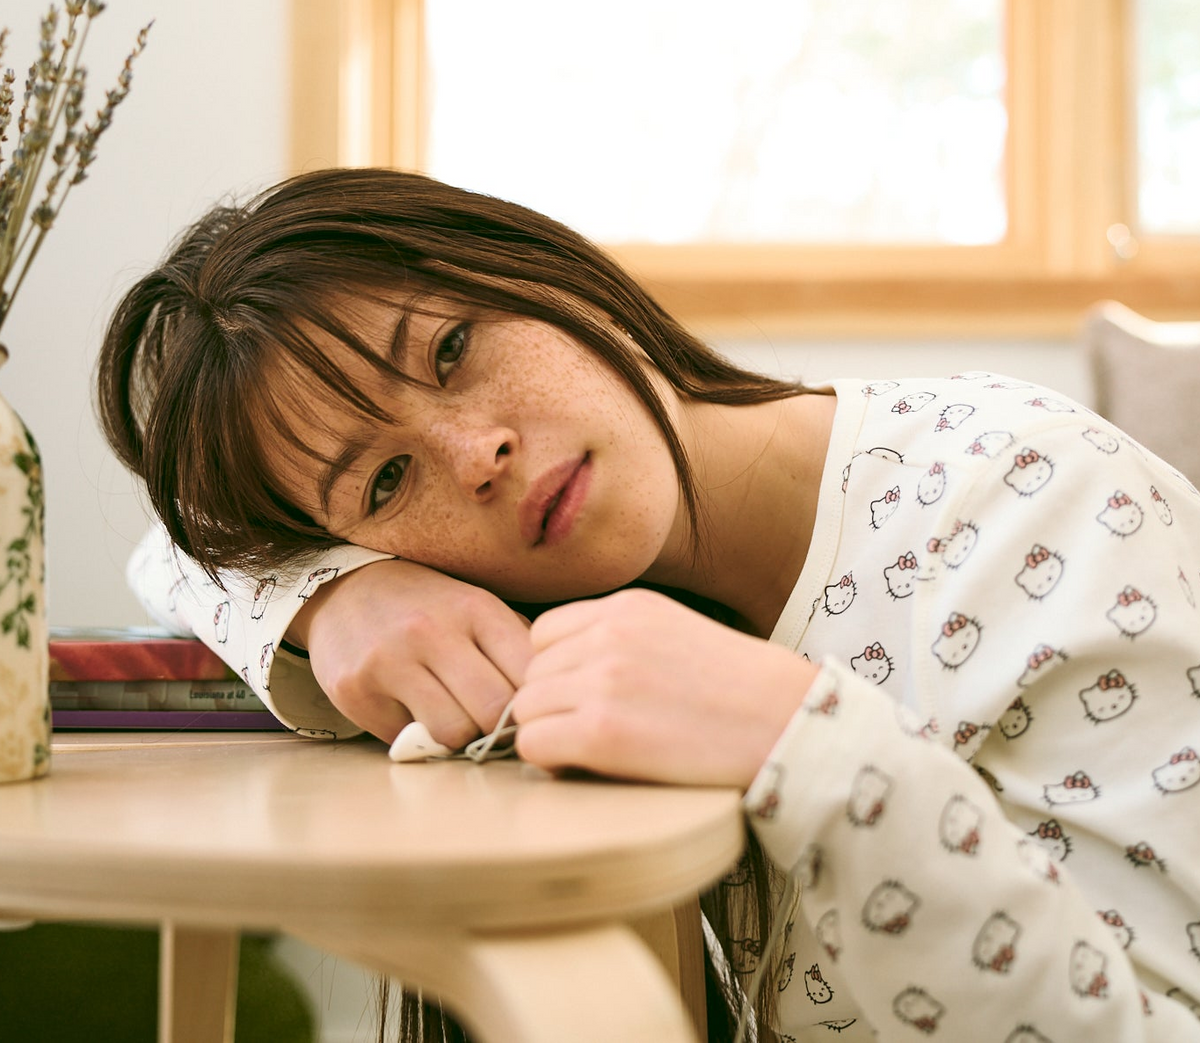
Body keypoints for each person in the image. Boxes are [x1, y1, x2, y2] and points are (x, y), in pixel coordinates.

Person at [99, 167, 1200, 1042]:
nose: (472, 453)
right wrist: (336, 597)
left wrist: (813, 750)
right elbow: (172, 548)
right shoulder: (547, 606)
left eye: (450, 349)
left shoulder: (1039, 507)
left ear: (546, 272)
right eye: (384, 483)